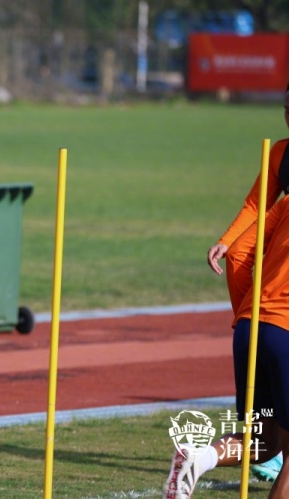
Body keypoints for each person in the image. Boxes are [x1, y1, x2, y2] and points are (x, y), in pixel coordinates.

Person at [164, 193, 289, 498]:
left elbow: (237, 254)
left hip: (250, 326)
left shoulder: (287, 203)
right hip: (285, 331)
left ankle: (199, 458)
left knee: (264, 442)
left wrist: (249, 311)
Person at [205, 85, 289, 483]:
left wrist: (246, 318)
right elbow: (256, 205)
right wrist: (227, 240)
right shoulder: (280, 154)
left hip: (258, 324)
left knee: (263, 435)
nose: (288, 116)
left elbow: (246, 242)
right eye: (286, 108)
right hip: (279, 320)